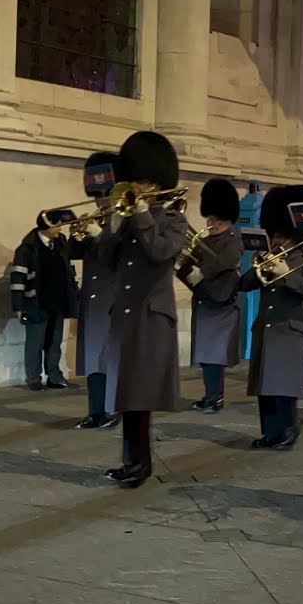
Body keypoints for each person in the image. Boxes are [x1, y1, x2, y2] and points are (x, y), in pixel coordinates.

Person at [97, 131, 189, 488]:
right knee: (125, 392)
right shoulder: (125, 217)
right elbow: (105, 260)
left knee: (140, 394)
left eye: (146, 181)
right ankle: (130, 460)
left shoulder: (172, 220)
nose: (139, 187)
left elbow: (159, 252)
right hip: (125, 312)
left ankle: (140, 462)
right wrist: (115, 226)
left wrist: (140, 214)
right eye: (134, 180)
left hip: (151, 315)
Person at [241, 185, 303, 450]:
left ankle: (288, 429)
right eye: (274, 235)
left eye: (280, 236)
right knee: (265, 388)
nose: (276, 240)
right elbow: (246, 283)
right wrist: (257, 267)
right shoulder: (270, 255)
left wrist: (286, 273)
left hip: (289, 327)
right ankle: (270, 432)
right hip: (266, 327)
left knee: (283, 387)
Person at [71, 152, 122, 430]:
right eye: (97, 194)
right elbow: (73, 252)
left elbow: (115, 254)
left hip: (113, 299)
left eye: (106, 194)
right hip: (92, 300)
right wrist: (75, 232)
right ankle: (95, 410)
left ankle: (113, 408)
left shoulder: (121, 222)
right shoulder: (97, 218)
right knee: (92, 359)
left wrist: (97, 234)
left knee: (109, 357)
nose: (101, 200)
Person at [184, 178, 243, 414]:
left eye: (216, 219)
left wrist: (204, 271)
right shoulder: (203, 241)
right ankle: (210, 395)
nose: (211, 223)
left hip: (222, 303)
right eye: (210, 218)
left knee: (215, 354)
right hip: (205, 300)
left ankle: (215, 397)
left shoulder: (234, 240)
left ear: (227, 218)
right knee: (206, 354)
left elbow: (227, 260)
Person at [10, 213, 78, 391]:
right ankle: (33, 378)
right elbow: (18, 277)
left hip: (58, 302)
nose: (60, 229)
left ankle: (55, 377)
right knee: (35, 343)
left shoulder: (60, 243)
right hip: (36, 303)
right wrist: (18, 306)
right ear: (47, 227)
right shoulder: (27, 248)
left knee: (54, 343)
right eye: (57, 226)